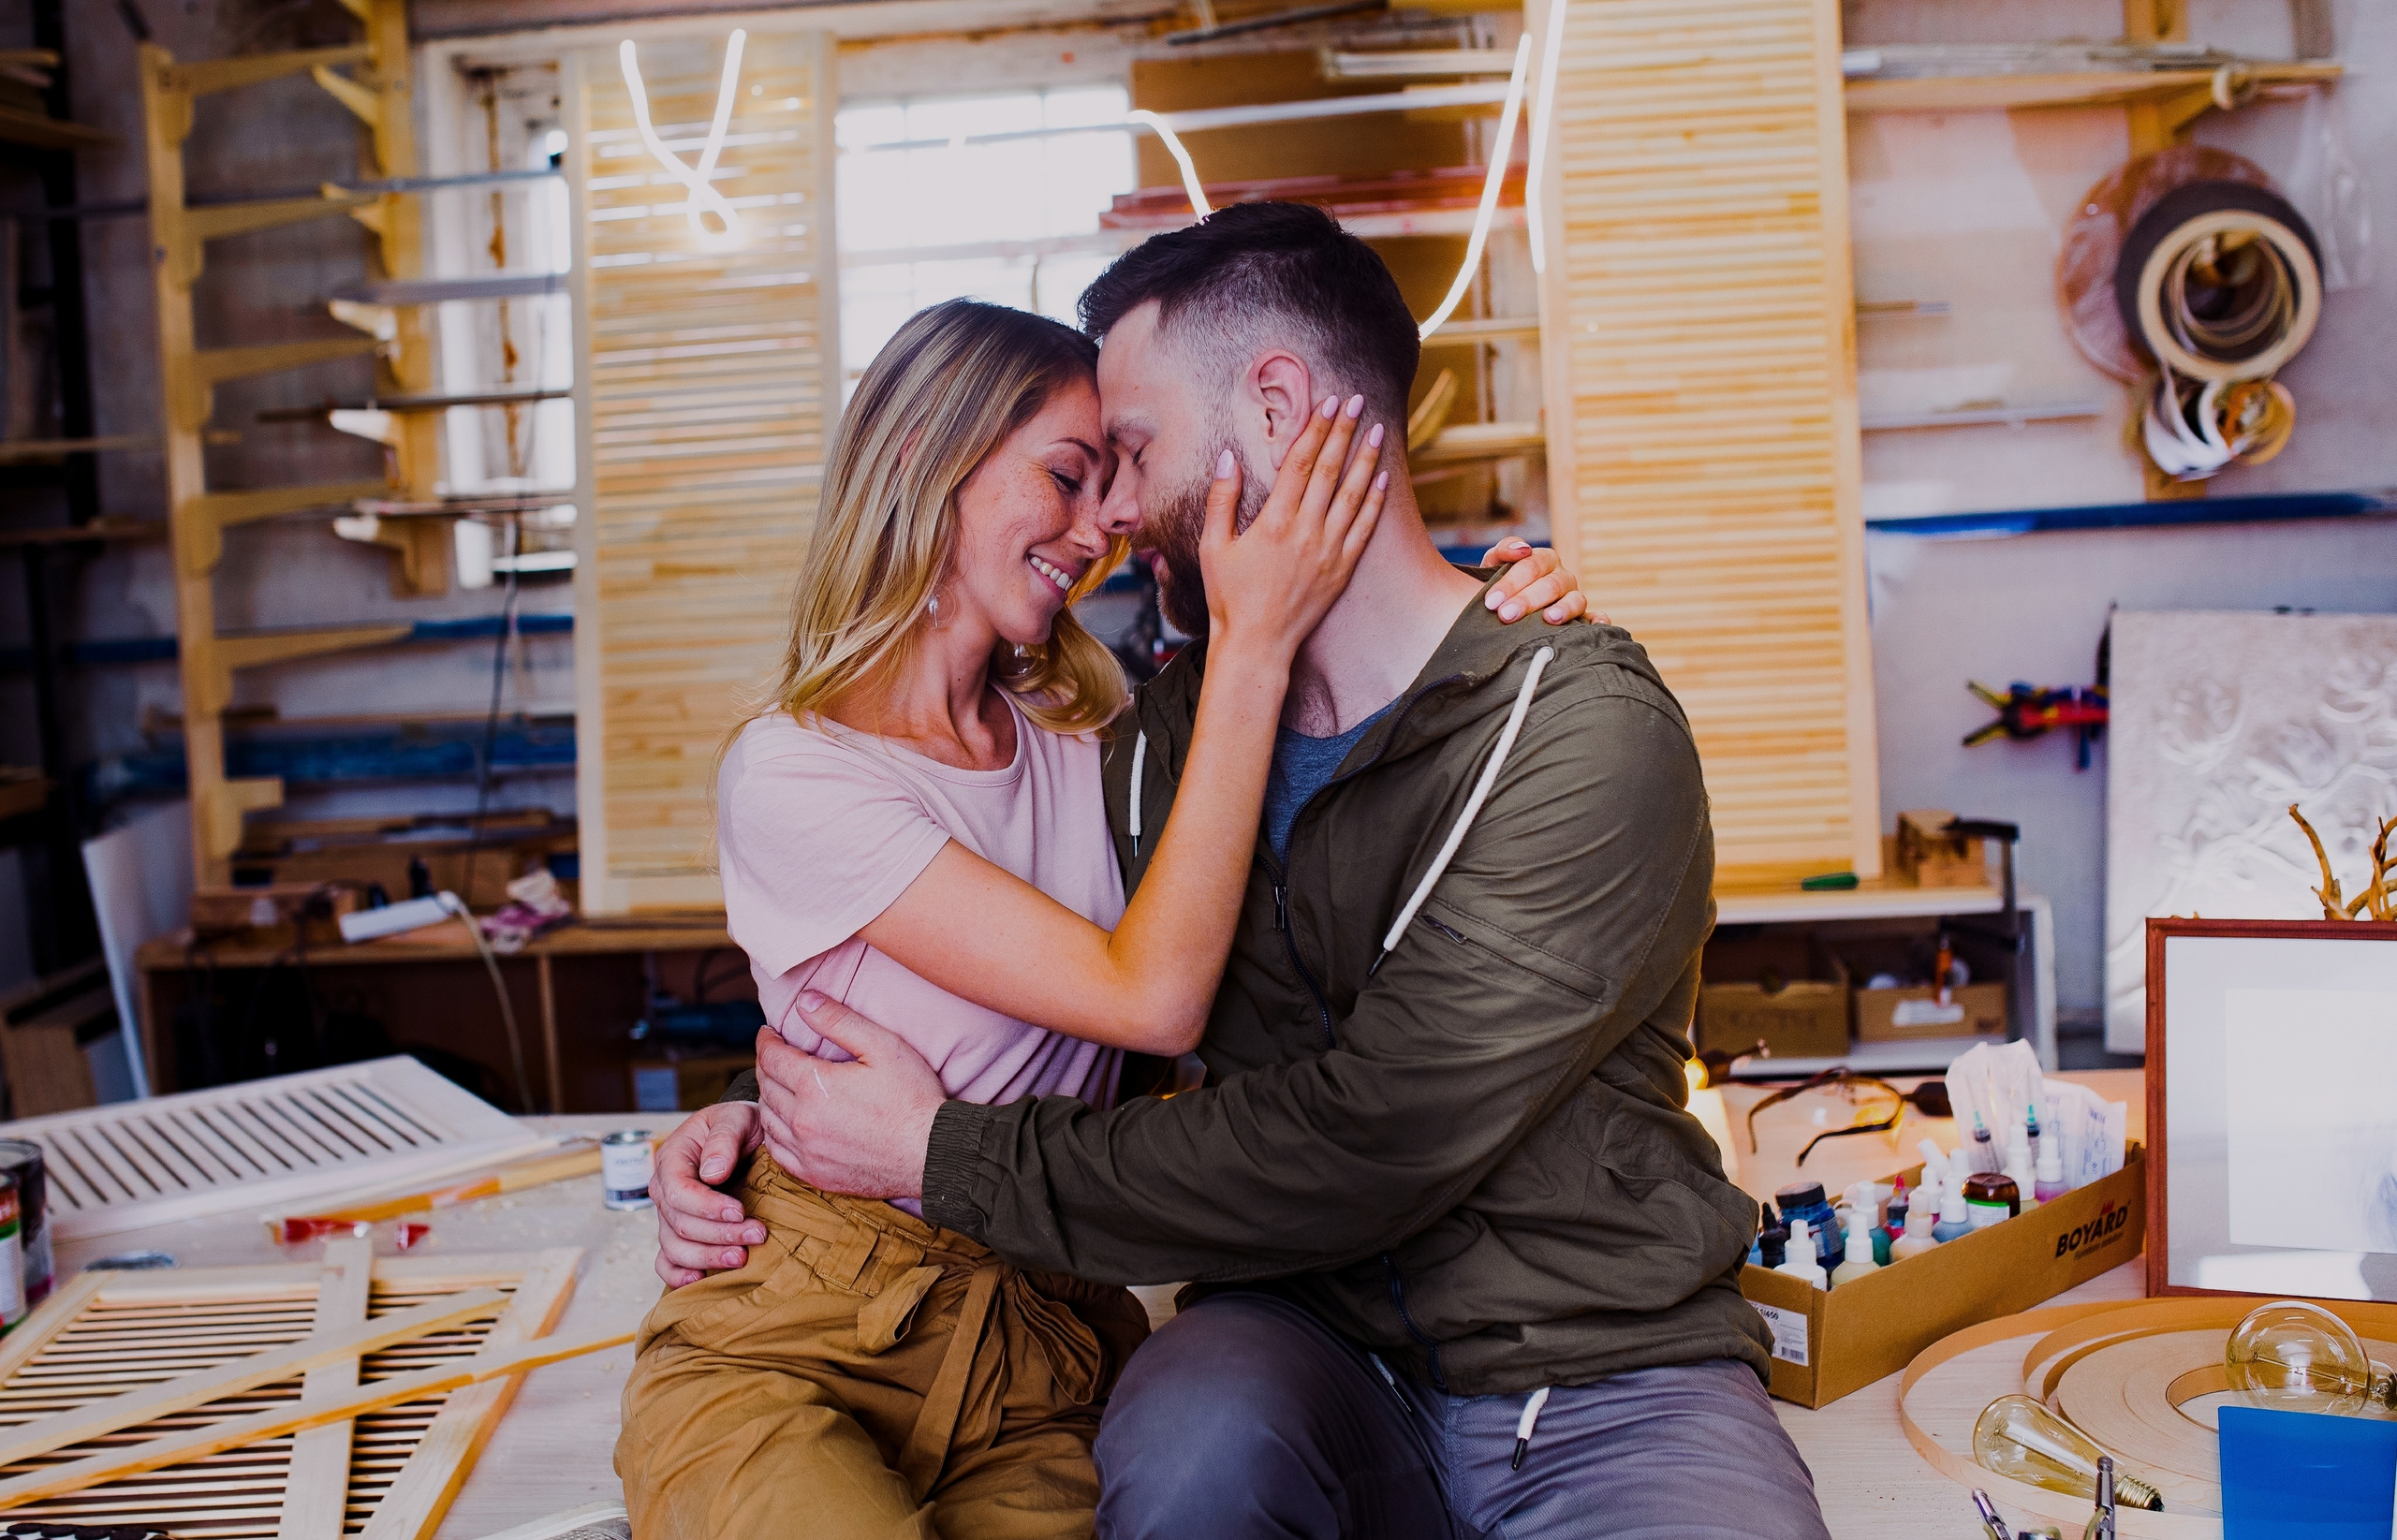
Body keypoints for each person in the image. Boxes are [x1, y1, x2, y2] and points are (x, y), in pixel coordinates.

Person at [657, 202, 1831, 1540]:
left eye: (1134, 451)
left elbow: (1358, 1120)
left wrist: (944, 1151)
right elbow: (1030, 979)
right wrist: (751, 1124)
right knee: (1180, 1445)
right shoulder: (1161, 745)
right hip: (1286, 1332)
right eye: (1081, 470)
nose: (1112, 517)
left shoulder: (1571, 727)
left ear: (1275, 407)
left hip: (1593, 1360)